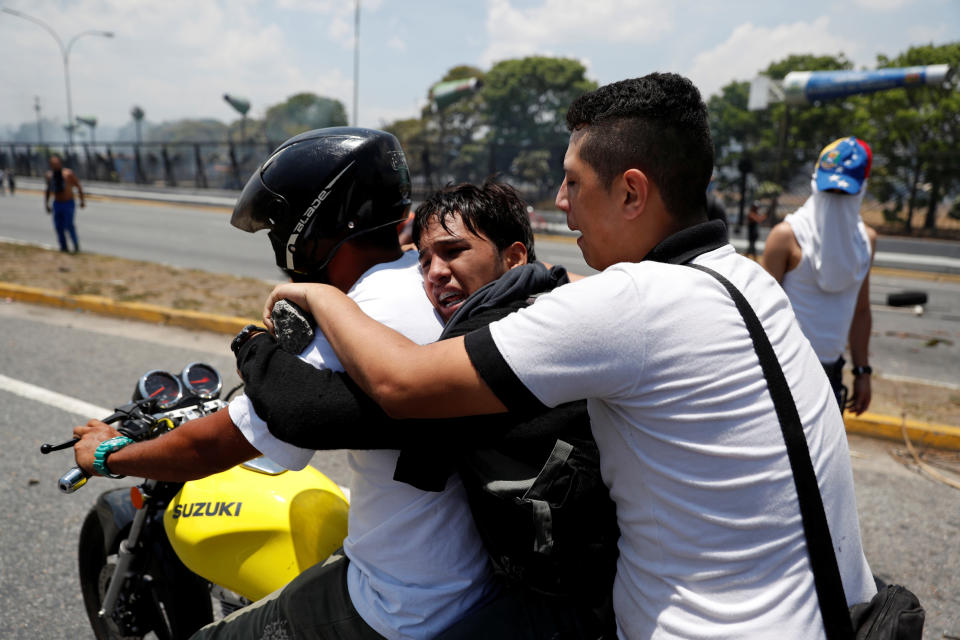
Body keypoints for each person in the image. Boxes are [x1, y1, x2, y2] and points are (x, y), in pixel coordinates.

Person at [260, 74, 877, 639]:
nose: (560, 200)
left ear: (632, 192)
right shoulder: (744, 277)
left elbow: (400, 383)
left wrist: (320, 294)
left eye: (574, 181)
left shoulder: (631, 303)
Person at [72, 127, 495, 640]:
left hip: (403, 603)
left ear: (310, 226)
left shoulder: (356, 314)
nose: (277, 240)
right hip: (479, 584)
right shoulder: (426, 278)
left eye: (279, 225)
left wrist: (107, 456)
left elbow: (218, 446)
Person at [237, 180, 619, 638]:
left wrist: (259, 339)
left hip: (569, 604)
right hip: (565, 576)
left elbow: (307, 411)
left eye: (454, 251)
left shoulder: (501, 342)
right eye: (423, 260)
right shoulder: (548, 297)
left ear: (514, 257)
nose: (434, 273)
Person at [761, 137, 876, 414]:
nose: (835, 199)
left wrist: (862, 371)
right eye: (830, 191)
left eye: (843, 193)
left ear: (861, 190)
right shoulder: (786, 237)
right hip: (784, 371)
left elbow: (861, 311)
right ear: (816, 183)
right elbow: (759, 314)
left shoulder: (866, 241)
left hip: (832, 374)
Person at [44, 154, 85, 253]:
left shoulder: (68, 174)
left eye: (56, 163)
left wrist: (82, 200)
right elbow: (48, 190)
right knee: (58, 226)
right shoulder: (50, 176)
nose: (55, 165)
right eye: (53, 164)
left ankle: (75, 245)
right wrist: (47, 204)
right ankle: (63, 247)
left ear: (60, 163)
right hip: (57, 203)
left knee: (69, 225)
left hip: (68, 203)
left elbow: (78, 186)